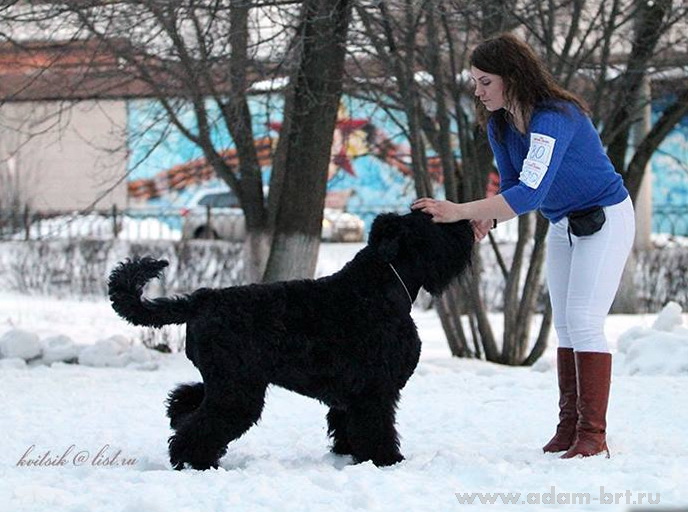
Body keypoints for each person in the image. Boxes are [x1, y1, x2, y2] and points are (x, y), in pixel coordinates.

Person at [412, 33, 635, 459]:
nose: (478, 92)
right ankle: (569, 428)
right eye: (475, 83)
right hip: (562, 223)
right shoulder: (499, 125)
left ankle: (593, 435)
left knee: (584, 320)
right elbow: (514, 187)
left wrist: (458, 210)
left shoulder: (555, 117)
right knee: (565, 324)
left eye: (485, 82)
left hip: (606, 219)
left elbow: (530, 194)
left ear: (512, 77)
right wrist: (489, 216)